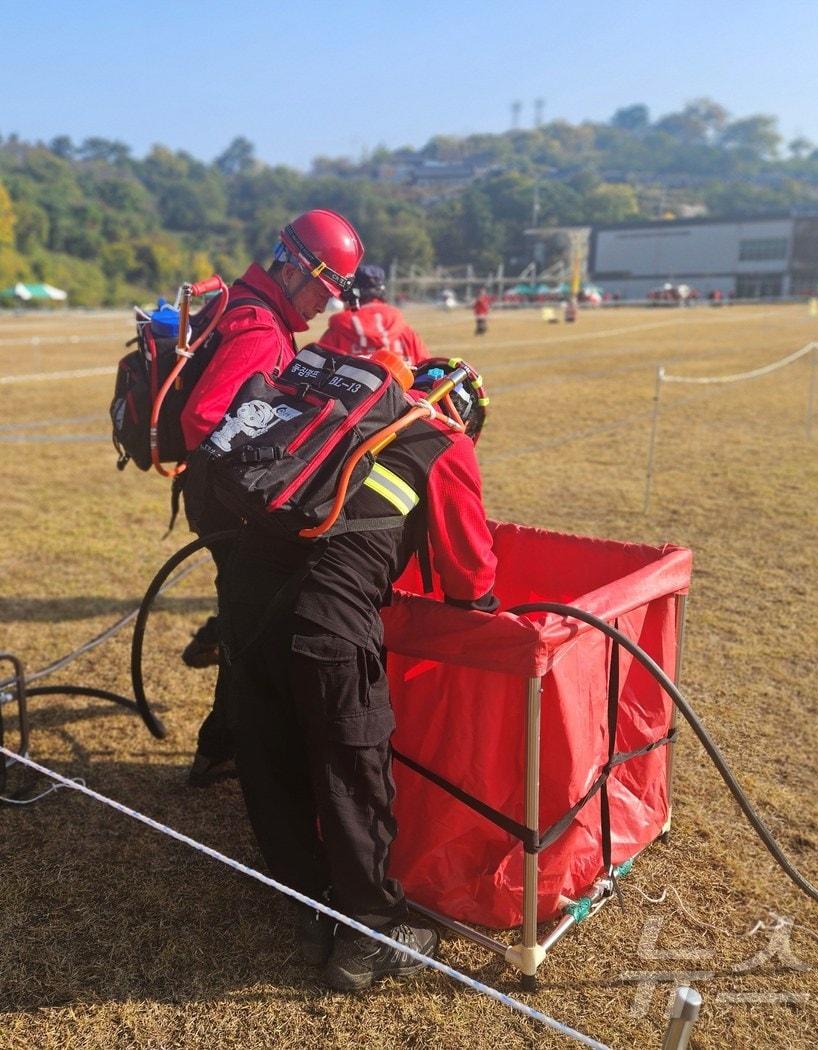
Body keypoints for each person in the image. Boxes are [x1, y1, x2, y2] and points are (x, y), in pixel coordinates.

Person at [218, 358, 498, 990]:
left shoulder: (342, 419)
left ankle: (309, 905)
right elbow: (470, 579)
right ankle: (373, 931)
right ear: (468, 416)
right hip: (328, 621)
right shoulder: (443, 443)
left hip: (245, 604)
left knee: (270, 755)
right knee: (351, 769)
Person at [177, 209, 364, 788]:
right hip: (229, 502)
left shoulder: (245, 305)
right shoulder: (260, 328)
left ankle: (223, 744)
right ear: (294, 270)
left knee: (246, 620)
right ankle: (227, 750)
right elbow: (204, 418)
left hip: (219, 494)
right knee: (253, 630)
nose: (326, 305)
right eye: (325, 289)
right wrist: (268, 474)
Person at [318, 264, 428, 366]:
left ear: (350, 292)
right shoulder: (404, 330)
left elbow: (317, 373)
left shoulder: (338, 331)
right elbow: (426, 374)